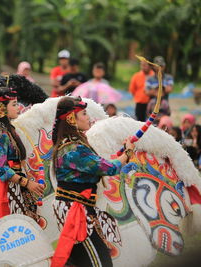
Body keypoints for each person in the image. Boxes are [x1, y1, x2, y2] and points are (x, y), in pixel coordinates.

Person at [51, 96, 135, 267]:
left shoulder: (72, 144)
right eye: (84, 113)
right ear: (71, 118)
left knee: (82, 260)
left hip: (78, 208)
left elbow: (100, 165)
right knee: (99, 262)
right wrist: (127, 153)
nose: (88, 117)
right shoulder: (73, 148)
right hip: (75, 211)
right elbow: (108, 168)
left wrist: (120, 156)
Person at [0, 87, 44, 222]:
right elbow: (1, 168)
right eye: (14, 104)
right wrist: (27, 183)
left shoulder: (7, 129)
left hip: (14, 182)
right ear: (1, 108)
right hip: (4, 186)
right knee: (17, 232)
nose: (19, 107)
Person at [145, 56, 173, 123]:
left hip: (164, 104)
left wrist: (155, 90)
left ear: (164, 66)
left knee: (164, 122)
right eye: (157, 66)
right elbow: (147, 92)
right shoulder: (149, 78)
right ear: (154, 67)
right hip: (152, 105)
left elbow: (169, 89)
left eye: (161, 66)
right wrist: (161, 90)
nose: (159, 68)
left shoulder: (168, 77)